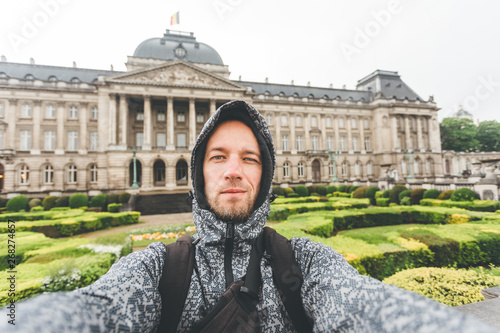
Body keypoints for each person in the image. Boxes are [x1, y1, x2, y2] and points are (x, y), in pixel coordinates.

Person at [1, 100, 497, 332]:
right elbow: (97, 309)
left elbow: (362, 304)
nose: (234, 170)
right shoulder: (159, 269)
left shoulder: (302, 261)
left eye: (250, 157)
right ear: (197, 173)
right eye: (217, 156)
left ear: (266, 174)